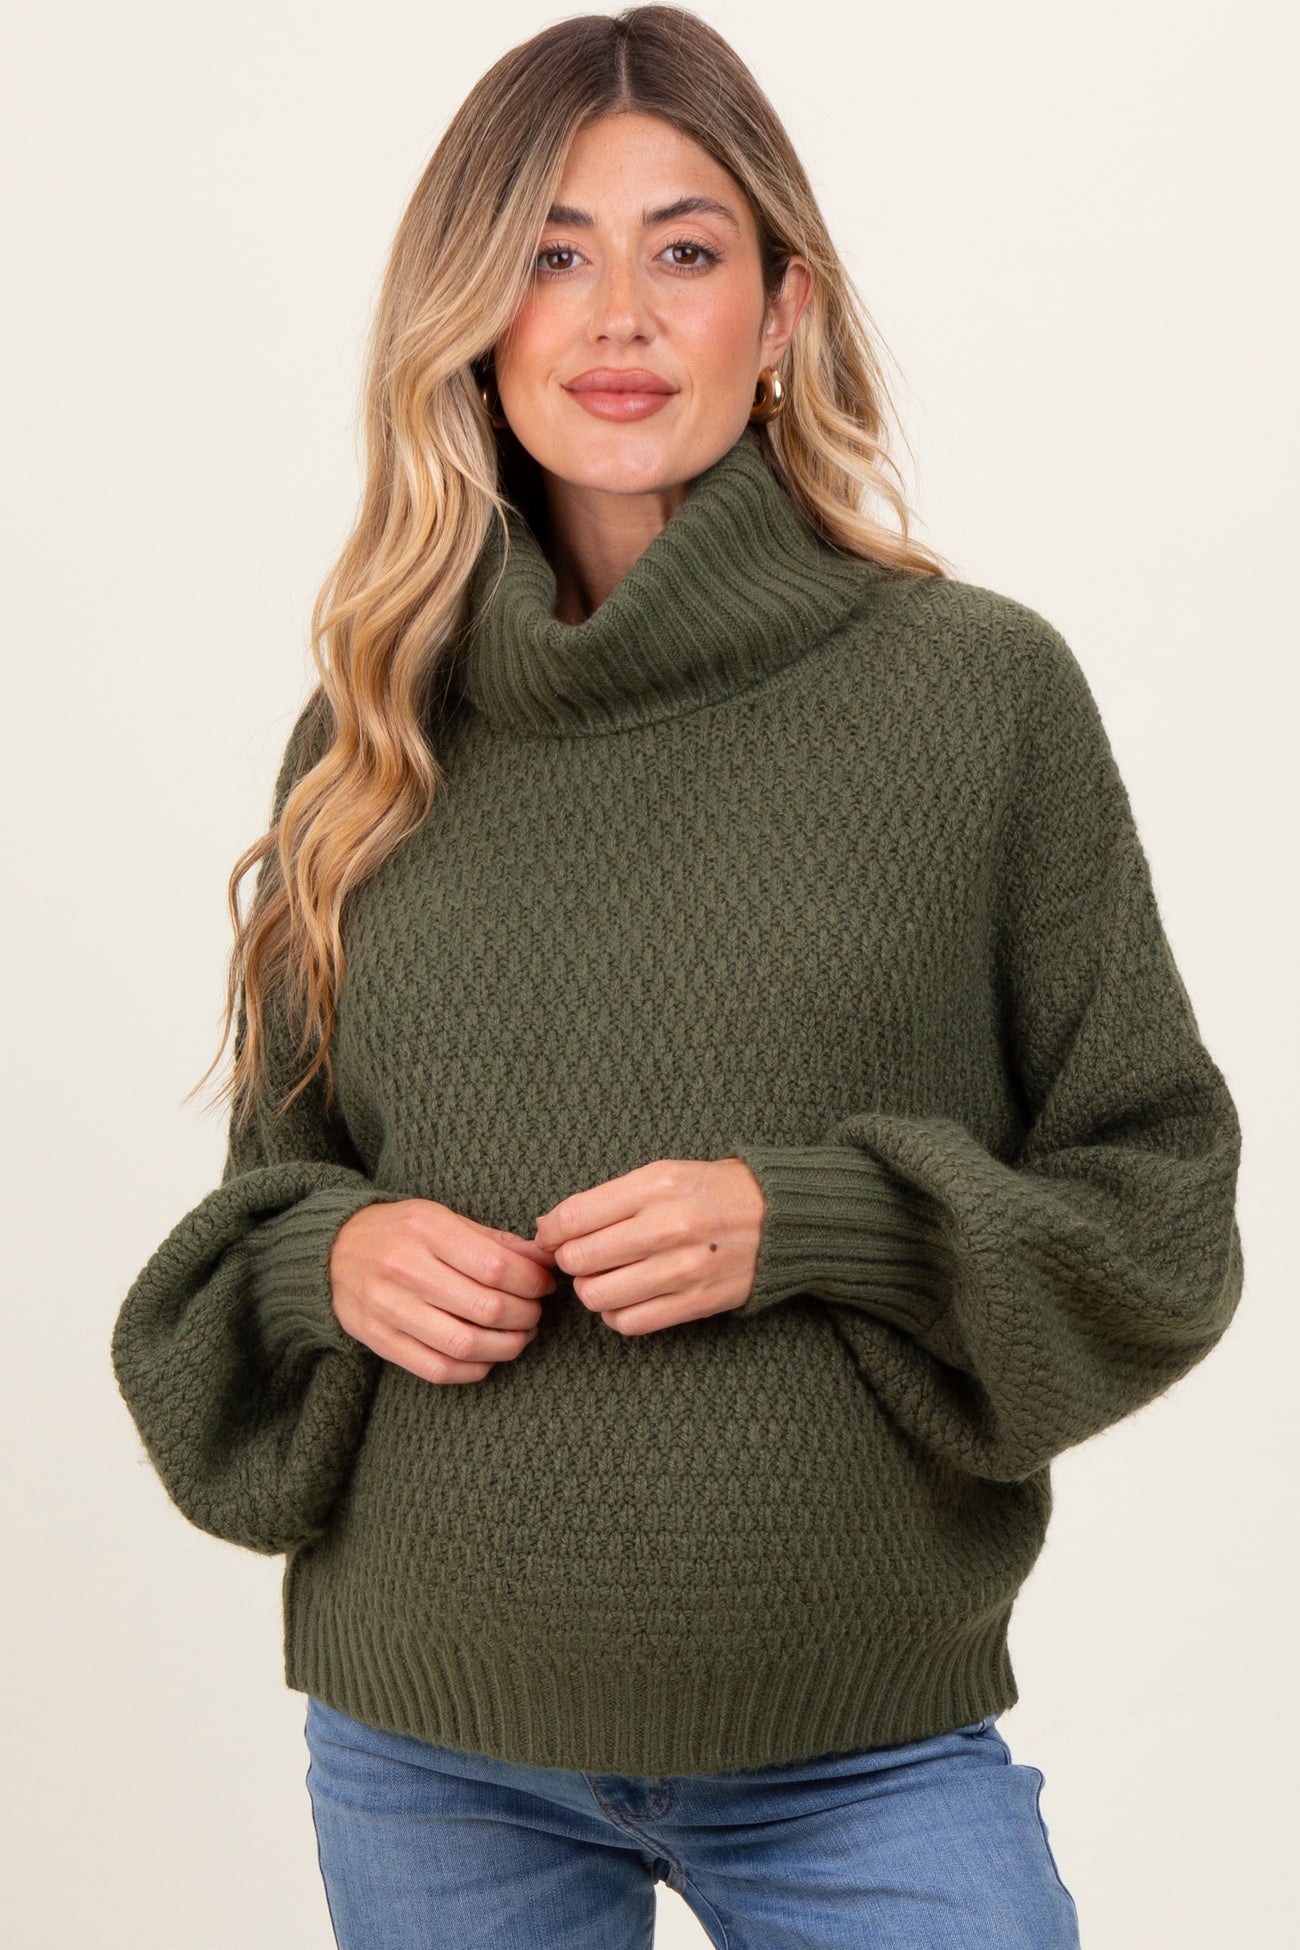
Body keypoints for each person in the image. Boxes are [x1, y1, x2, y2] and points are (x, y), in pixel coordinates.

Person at [109, 8, 1245, 1947]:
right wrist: (335, 1259)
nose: (617, 315)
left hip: (856, 1747)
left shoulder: (973, 697)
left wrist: (813, 1222)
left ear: (781, 309)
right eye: (550, 253)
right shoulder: (370, 736)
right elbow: (257, 1220)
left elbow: (1159, 1211)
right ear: (473, 316)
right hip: (426, 1745)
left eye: (685, 249)